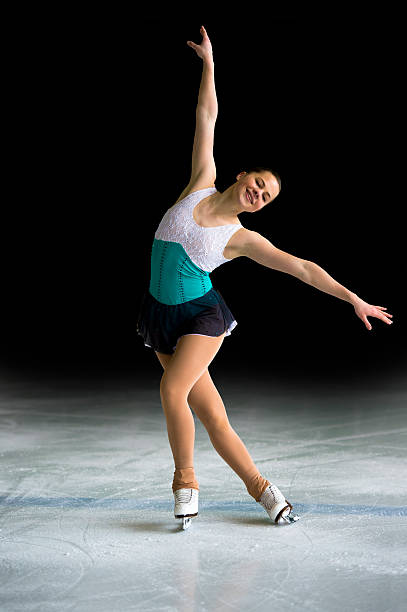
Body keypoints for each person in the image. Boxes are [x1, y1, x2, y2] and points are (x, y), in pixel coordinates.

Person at [136, 26, 393, 527]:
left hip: (199, 316)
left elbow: (300, 267)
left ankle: (185, 483)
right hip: (159, 315)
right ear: (240, 176)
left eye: (267, 196)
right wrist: (210, 64)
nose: (259, 193)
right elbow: (206, 116)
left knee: (172, 391)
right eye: (258, 183)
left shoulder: (241, 238)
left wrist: (352, 298)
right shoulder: (199, 181)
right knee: (211, 416)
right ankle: (266, 491)